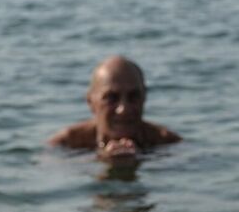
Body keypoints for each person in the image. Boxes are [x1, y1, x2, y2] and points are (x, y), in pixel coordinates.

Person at [47, 54, 182, 161]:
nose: (123, 109)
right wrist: (101, 161)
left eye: (133, 97)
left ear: (144, 98)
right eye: (111, 98)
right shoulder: (67, 143)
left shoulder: (167, 143)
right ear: (91, 102)